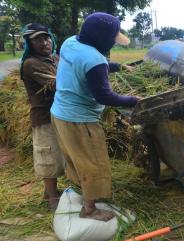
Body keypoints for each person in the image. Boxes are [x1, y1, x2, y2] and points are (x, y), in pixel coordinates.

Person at [50, 12, 141, 221]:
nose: (113, 43)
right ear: (101, 38)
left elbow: (85, 66)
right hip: (79, 120)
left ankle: (85, 194)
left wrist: (118, 67)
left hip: (60, 113)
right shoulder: (95, 59)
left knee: (78, 159)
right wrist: (134, 100)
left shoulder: (71, 42)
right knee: (94, 162)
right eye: (112, 39)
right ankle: (89, 210)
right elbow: (105, 96)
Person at [20, 23, 65, 210]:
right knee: (48, 156)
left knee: (59, 154)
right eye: (38, 39)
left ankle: (50, 192)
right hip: (44, 117)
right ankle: (52, 198)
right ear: (29, 43)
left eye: (46, 38)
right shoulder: (31, 64)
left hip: (60, 113)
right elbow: (57, 83)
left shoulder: (54, 58)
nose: (44, 42)